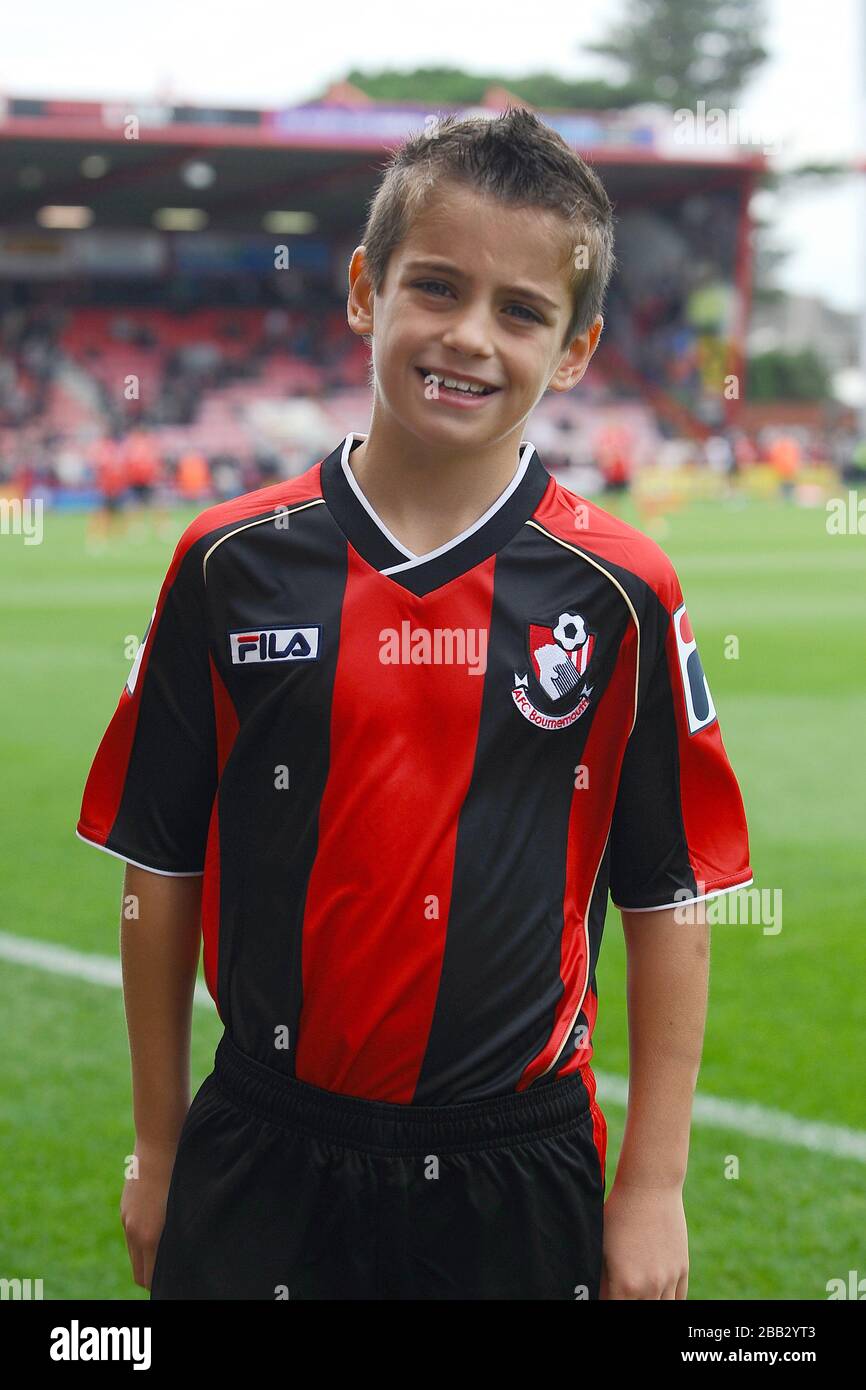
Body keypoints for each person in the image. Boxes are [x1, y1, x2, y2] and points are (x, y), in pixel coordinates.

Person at [75, 109, 752, 1301]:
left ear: (579, 349)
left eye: (521, 310)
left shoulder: (619, 591)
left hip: (516, 1160)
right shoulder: (230, 561)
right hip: (263, 1137)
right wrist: (160, 1140)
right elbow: (160, 866)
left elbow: (665, 891)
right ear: (361, 289)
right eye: (434, 287)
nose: (468, 336)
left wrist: (651, 1186)